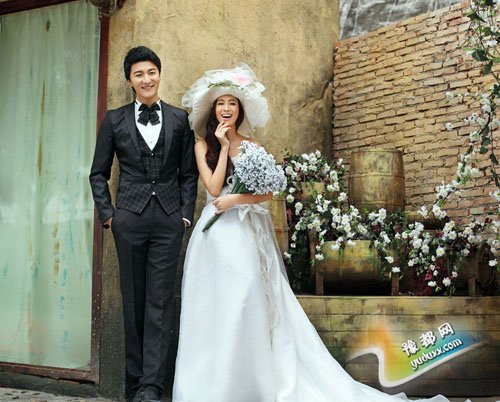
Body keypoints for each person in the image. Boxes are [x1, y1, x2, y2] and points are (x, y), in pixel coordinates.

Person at [172, 63, 465, 402]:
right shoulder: (201, 145)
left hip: (244, 230)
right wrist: (222, 147)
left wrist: (236, 196)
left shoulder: (253, 146)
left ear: (240, 110)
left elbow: (267, 193)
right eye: (221, 103)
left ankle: (251, 382)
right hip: (215, 235)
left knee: (246, 297)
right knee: (214, 304)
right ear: (213, 109)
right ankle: (213, 384)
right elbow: (212, 187)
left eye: (232, 103)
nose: (226, 109)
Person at [89, 46, 198, 402]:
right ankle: (134, 383)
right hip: (129, 219)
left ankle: (152, 387)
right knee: (133, 301)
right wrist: (110, 215)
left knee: (161, 302)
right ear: (130, 80)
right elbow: (98, 173)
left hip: (168, 220)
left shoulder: (180, 119)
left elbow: (188, 173)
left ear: (159, 75)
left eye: (151, 72)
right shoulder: (114, 120)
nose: (147, 79)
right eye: (139, 74)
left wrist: (184, 214)